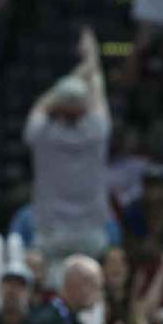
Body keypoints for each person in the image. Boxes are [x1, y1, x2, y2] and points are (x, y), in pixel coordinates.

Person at [23, 28, 114, 270]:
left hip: (51, 233)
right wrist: (91, 57)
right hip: (90, 234)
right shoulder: (97, 130)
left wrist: (65, 87)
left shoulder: (41, 133)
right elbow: (97, 89)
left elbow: (42, 104)